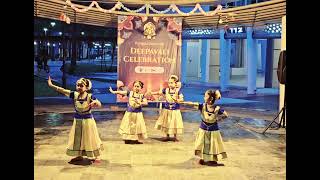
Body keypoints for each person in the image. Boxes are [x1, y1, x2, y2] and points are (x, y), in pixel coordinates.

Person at [47, 76, 104, 164]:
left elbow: (99, 103)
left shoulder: (90, 96)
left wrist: (95, 103)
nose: (79, 87)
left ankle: (95, 155)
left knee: (90, 137)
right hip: (77, 120)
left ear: (86, 87)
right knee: (77, 138)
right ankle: (78, 155)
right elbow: (62, 90)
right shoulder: (74, 94)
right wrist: (51, 85)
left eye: (81, 86)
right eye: (78, 85)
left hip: (88, 121)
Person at [181, 89, 228, 166]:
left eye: (205, 96)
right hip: (203, 129)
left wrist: (219, 119)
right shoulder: (202, 106)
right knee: (202, 144)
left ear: (211, 99)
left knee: (212, 145)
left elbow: (226, 115)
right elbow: (192, 104)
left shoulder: (217, 108)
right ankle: (203, 158)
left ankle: (212, 160)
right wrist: (183, 102)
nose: (204, 97)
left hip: (213, 131)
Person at [147, 75, 184, 142]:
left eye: (171, 83)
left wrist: (178, 100)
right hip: (167, 110)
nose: (170, 84)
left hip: (175, 110)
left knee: (174, 123)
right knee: (167, 122)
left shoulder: (177, 92)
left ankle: (175, 136)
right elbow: (159, 93)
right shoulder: (166, 90)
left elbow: (181, 99)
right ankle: (167, 136)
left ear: (175, 83)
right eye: (169, 83)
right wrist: (151, 93)